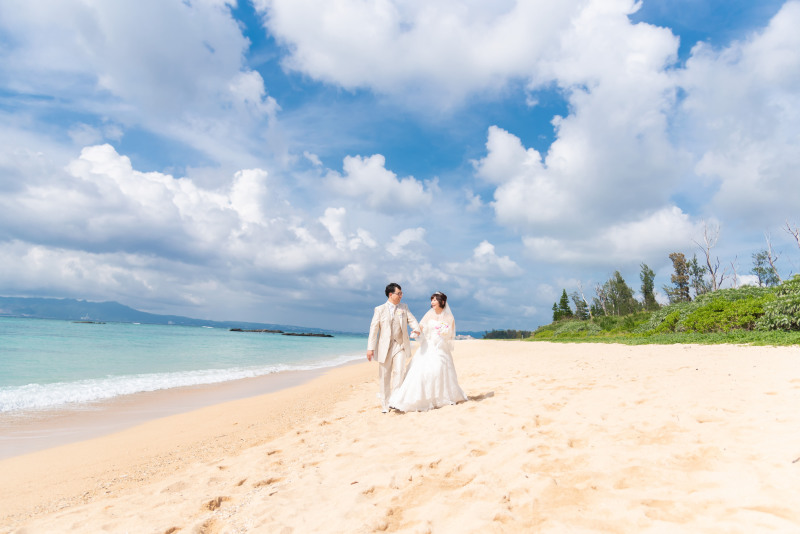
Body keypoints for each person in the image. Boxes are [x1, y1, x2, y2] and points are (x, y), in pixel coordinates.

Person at [389, 291, 466, 412]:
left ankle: (438, 398)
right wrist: (415, 332)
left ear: (442, 302)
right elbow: (420, 326)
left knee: (438, 370)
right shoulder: (429, 315)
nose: (432, 302)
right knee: (419, 372)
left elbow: (450, 334)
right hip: (427, 347)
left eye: (435, 300)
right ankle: (415, 400)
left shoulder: (449, 317)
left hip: (440, 348)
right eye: (432, 300)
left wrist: (444, 333)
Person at [367, 283, 420, 413]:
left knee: (399, 372)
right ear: (391, 295)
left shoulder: (404, 307)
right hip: (385, 346)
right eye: (399, 293)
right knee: (385, 375)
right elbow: (373, 330)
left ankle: (395, 401)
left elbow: (412, 320)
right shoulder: (379, 309)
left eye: (401, 293)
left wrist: (416, 329)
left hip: (400, 345)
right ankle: (385, 404)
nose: (401, 296)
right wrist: (370, 348)